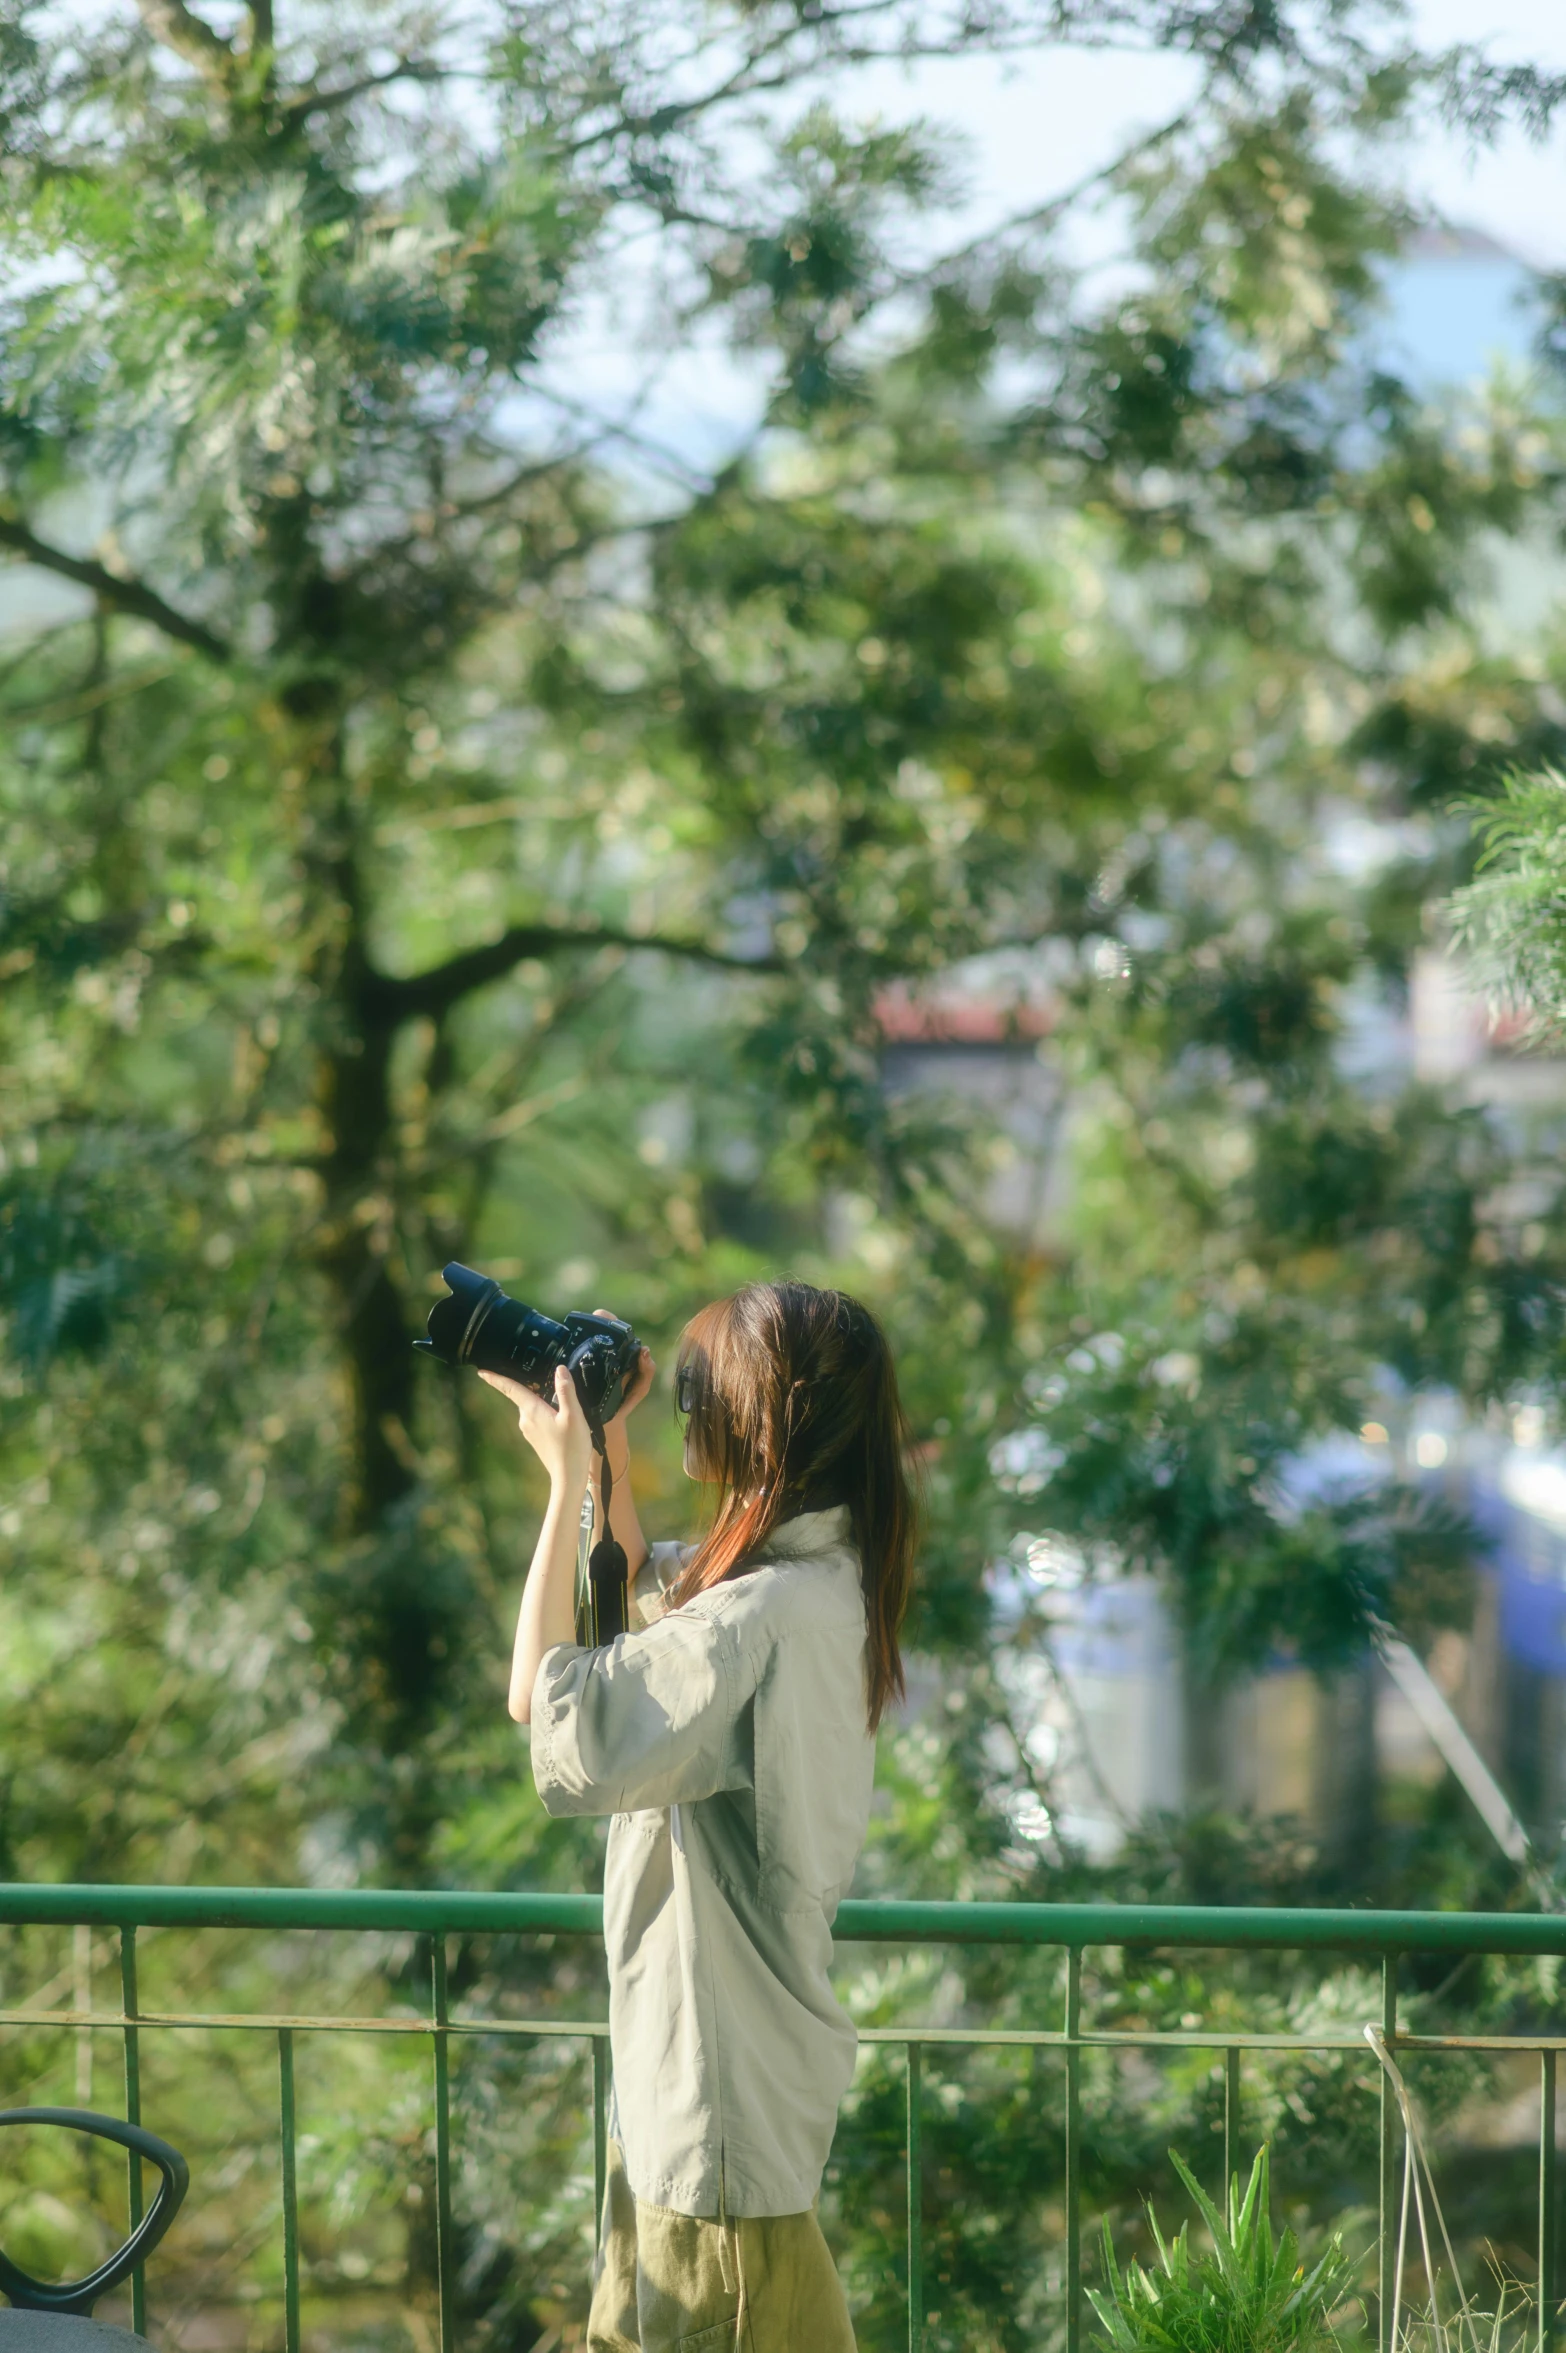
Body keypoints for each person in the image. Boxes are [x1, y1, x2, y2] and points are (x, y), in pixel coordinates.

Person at [480, 1279, 917, 2353]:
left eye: (691, 1389)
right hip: (724, 2109)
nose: (682, 1407)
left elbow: (548, 1701)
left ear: (763, 1411)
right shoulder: (820, 1580)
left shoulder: (754, 1618)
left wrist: (568, 1475)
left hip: (711, 2128)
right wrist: (608, 1460)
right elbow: (632, 1598)